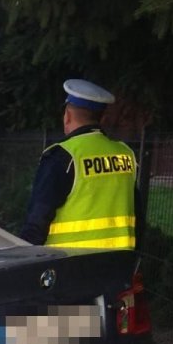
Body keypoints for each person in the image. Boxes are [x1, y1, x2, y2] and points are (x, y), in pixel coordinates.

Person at [20, 79, 139, 249]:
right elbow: (138, 216)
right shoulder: (125, 154)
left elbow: (37, 223)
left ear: (67, 115)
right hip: (117, 265)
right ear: (102, 118)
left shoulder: (63, 156)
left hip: (68, 267)